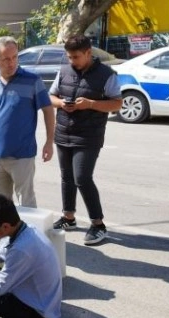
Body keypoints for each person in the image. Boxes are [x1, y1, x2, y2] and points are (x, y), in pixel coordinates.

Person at [49, 35, 123, 245]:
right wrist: (62, 103)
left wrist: (90, 104)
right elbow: (50, 97)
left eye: (76, 57)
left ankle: (98, 225)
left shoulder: (106, 74)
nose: (72, 61)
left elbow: (117, 103)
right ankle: (68, 217)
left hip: (89, 135)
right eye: (69, 57)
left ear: (88, 53)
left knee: (82, 177)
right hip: (63, 132)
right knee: (66, 177)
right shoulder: (64, 71)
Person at [0, 36, 55, 208]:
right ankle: (5, 235)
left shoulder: (32, 80)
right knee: (1, 206)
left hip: (22, 157)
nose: (11, 63)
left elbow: (48, 110)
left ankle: (28, 235)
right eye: (6, 59)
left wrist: (49, 142)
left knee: (26, 203)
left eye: (15, 57)